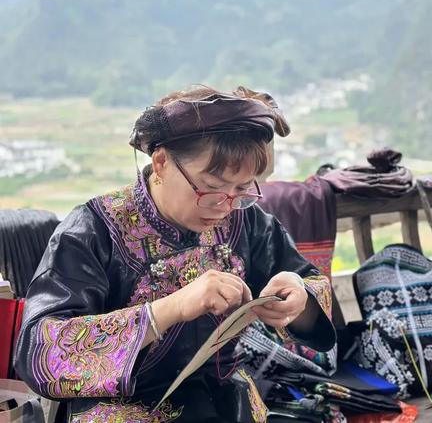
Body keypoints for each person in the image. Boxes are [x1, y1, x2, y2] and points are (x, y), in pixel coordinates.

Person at [14, 86, 336, 423]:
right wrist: (168, 310)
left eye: (241, 190)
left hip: (227, 403)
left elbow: (312, 283)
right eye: (211, 187)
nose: (224, 206)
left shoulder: (247, 221)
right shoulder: (94, 229)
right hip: (122, 411)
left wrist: (298, 298)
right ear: (162, 162)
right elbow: (40, 352)